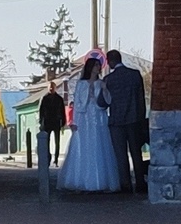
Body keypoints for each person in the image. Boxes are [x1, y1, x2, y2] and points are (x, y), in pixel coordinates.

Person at [57, 56, 117, 192]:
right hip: (84, 118)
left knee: (98, 145)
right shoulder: (81, 84)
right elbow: (77, 104)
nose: (98, 67)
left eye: (99, 65)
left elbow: (107, 101)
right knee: (83, 146)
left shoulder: (101, 83)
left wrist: (104, 89)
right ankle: (81, 179)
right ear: (90, 67)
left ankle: (99, 180)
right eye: (95, 65)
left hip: (98, 117)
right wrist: (74, 122)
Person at [100, 46, 149, 196]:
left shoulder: (108, 80)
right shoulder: (135, 75)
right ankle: (140, 183)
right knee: (136, 152)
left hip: (116, 122)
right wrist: (141, 118)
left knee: (121, 154)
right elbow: (141, 99)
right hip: (134, 120)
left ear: (110, 62)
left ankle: (125, 185)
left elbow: (103, 102)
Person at [36, 78, 68, 180]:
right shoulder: (44, 98)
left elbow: (63, 111)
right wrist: (41, 122)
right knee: (47, 142)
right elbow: (41, 111)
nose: (51, 89)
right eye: (49, 87)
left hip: (56, 122)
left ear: (55, 88)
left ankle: (56, 159)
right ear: (47, 88)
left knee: (57, 142)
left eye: (52, 87)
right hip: (47, 123)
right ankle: (48, 158)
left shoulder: (59, 99)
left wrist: (63, 121)